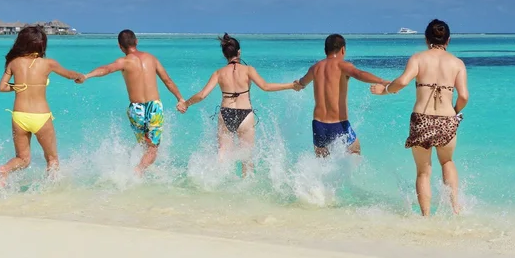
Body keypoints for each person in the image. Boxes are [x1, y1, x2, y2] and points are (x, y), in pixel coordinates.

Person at [370, 19, 469, 216]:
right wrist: (454, 112)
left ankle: (426, 217)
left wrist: (385, 91)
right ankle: (456, 209)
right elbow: (464, 96)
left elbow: (403, 81)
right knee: (447, 162)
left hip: (421, 119)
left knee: (423, 171)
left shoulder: (418, 58)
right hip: (447, 118)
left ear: (426, 39)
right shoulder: (457, 63)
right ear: (448, 40)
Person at [176, 33, 302, 177]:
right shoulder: (248, 70)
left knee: (222, 154)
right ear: (239, 52)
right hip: (245, 114)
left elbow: (202, 95)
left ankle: (213, 186)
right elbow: (266, 87)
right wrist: (291, 85)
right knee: (247, 158)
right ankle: (245, 190)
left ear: (225, 55)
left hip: (226, 113)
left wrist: (186, 103)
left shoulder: (218, 73)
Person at [77, 29, 184, 176]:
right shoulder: (151, 59)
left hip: (136, 109)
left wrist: (86, 75)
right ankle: (138, 170)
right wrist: (180, 99)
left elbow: (106, 69)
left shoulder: (124, 62)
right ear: (136, 41)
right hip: (154, 107)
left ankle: (137, 168)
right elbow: (167, 81)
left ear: (120, 47)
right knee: (153, 148)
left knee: (144, 145)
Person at [0, 25, 84, 187]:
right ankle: (50, 192)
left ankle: (4, 170)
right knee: (52, 158)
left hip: (19, 116)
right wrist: (80, 76)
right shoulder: (48, 64)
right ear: (42, 44)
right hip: (41, 117)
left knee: (23, 159)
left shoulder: (14, 63)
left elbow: (2, 88)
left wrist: (16, 86)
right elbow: (69, 75)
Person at [296, 34, 391, 158]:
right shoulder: (342, 65)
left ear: (326, 50)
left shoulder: (315, 68)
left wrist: (297, 84)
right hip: (338, 124)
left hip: (318, 125)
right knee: (355, 151)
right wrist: (382, 81)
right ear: (343, 49)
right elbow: (360, 74)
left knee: (321, 163)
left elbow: (302, 83)